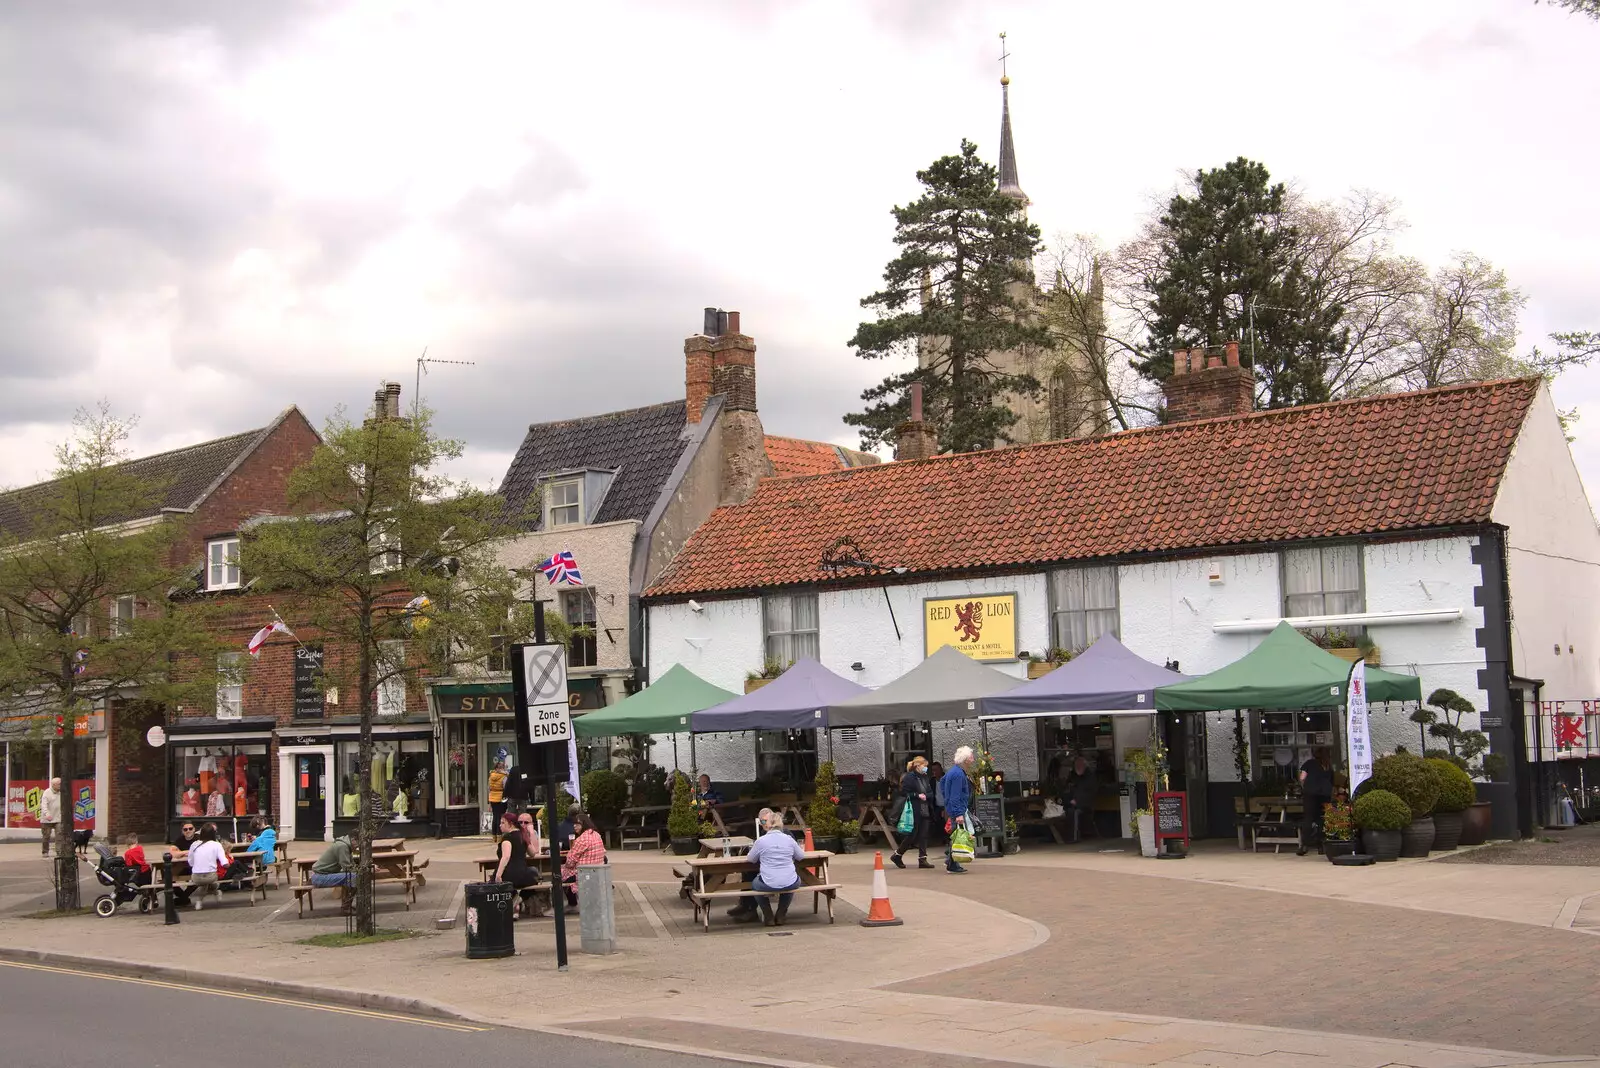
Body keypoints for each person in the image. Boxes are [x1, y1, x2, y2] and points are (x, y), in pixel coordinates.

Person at [746, 810, 805, 926]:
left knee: (754, 885)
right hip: (790, 880)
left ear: (768, 825)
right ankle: (781, 913)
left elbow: (751, 859)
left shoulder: (761, 841)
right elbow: (801, 856)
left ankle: (768, 915)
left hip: (768, 882)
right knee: (791, 882)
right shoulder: (789, 839)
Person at [728, 807, 775, 923]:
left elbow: (751, 857)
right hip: (779, 873)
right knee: (749, 872)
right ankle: (745, 905)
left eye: (765, 821)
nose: (763, 824)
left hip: (773, 874)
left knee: (754, 880)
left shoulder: (775, 835)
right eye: (761, 821)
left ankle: (751, 910)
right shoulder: (765, 833)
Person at [494, 810, 542, 918]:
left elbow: (506, 857)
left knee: (493, 885)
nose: (500, 825)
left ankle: (511, 903)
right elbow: (533, 853)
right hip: (523, 874)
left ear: (510, 824)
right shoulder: (522, 836)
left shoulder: (507, 838)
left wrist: (498, 875)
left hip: (509, 875)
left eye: (503, 823)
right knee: (534, 873)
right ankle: (516, 904)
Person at [891, 756, 934, 870]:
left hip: (925, 809)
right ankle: (897, 855)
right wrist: (917, 795)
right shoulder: (909, 777)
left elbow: (930, 792)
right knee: (912, 834)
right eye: (924, 766)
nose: (926, 768)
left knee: (924, 834)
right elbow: (904, 793)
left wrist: (927, 796)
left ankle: (922, 859)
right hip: (914, 809)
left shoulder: (925, 777)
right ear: (917, 766)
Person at [560, 810, 608, 909]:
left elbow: (570, 861)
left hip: (583, 873)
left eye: (577, 824)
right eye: (574, 824)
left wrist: (568, 857)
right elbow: (604, 852)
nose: (574, 826)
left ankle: (571, 904)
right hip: (597, 872)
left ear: (584, 824)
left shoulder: (581, 839)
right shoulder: (597, 835)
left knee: (558, 875)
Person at [940, 747, 976, 874]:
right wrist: (958, 813)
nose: (973, 760)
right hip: (957, 810)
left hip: (954, 808)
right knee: (957, 836)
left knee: (955, 835)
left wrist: (946, 798)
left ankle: (950, 861)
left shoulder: (954, 771)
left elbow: (942, 782)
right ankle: (952, 863)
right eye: (971, 757)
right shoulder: (958, 774)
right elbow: (955, 795)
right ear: (965, 759)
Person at [1297, 748, 1335, 856]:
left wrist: (1304, 786)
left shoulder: (1309, 763)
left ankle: (1304, 845)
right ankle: (1321, 846)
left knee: (1308, 818)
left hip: (1310, 793)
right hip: (1325, 794)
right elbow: (1332, 781)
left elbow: (1302, 777)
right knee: (1321, 819)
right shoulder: (1328, 766)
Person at [185, 823, 230, 910]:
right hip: (211, 876)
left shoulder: (194, 844)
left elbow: (190, 862)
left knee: (204, 883)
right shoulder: (216, 845)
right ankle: (216, 892)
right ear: (214, 834)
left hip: (196, 877)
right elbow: (224, 862)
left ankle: (199, 902)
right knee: (208, 881)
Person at [311, 834, 359, 914]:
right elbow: (347, 868)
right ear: (353, 840)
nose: (357, 847)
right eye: (358, 843)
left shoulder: (346, 846)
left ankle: (347, 906)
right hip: (320, 877)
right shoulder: (342, 846)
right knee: (353, 877)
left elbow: (351, 866)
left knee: (352, 876)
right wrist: (365, 870)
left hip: (322, 875)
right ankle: (345, 908)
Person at [1065, 755, 1099, 842]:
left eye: (1080, 765)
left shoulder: (1090, 777)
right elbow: (1068, 788)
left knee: (1073, 812)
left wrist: (1077, 801)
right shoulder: (1073, 776)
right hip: (1073, 802)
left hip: (1085, 804)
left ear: (1084, 765)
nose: (1078, 766)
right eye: (1077, 765)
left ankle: (1073, 837)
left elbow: (1090, 792)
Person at [37, 777, 61, 857]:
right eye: (59, 784)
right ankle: (45, 851)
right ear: (53, 785)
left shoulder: (62, 792)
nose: (60, 786)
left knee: (59, 835)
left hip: (58, 818)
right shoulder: (47, 793)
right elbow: (44, 805)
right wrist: (47, 814)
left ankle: (59, 851)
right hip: (47, 819)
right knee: (46, 836)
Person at [487, 757, 508, 834]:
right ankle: (499, 835)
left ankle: (494, 835)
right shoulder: (504, 777)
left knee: (495, 816)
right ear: (502, 768)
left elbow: (488, 788)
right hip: (500, 798)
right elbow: (505, 787)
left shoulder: (491, 776)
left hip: (492, 798)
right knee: (500, 817)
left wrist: (489, 801)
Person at [928, 761, 947, 840]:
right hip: (937, 806)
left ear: (941, 770)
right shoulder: (932, 781)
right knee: (937, 820)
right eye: (933, 770)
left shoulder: (946, 779)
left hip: (946, 805)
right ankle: (940, 838)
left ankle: (946, 838)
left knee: (946, 822)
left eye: (936, 770)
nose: (934, 772)